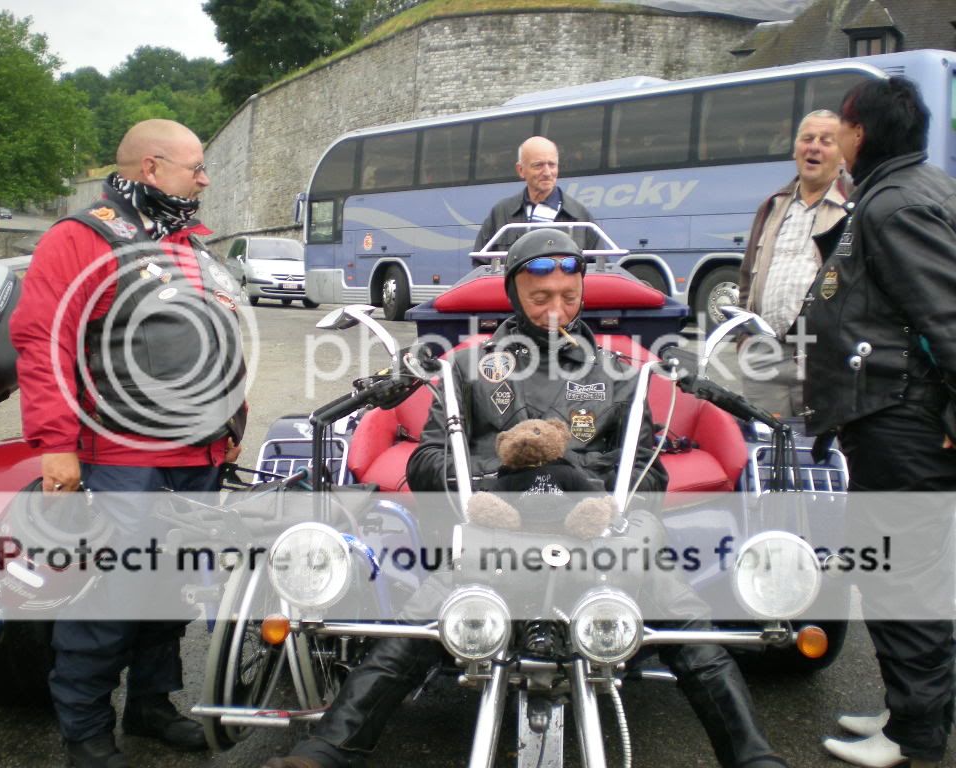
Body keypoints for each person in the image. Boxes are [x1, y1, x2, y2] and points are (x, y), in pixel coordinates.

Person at [267, 229, 787, 768]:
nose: (557, 309)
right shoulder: (467, 369)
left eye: (570, 295)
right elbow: (425, 461)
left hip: (601, 533)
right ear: (514, 295)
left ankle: (752, 756)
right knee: (418, 625)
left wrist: (605, 500)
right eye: (541, 298)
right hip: (494, 530)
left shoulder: (621, 373)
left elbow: (649, 471)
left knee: (691, 628)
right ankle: (328, 750)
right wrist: (490, 485)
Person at [10, 119, 246, 768]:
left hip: (196, 456)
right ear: (151, 168)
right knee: (108, 600)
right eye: (194, 168)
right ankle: (85, 735)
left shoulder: (189, 244)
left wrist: (228, 421)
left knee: (168, 592)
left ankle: (150, 705)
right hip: (122, 458)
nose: (204, 179)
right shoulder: (80, 238)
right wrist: (55, 445)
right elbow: (42, 340)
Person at [803, 78, 956, 768]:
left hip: (903, 421)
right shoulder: (917, 188)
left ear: (860, 134)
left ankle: (915, 735)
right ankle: (909, 710)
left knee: (902, 576)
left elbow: (946, 315)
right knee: (904, 571)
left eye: (841, 128)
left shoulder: (895, 204)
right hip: (895, 415)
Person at [737, 110, 850, 417]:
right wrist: (745, 338)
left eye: (826, 141)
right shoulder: (773, 205)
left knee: (822, 455)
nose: (813, 147)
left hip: (823, 359)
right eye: (807, 138)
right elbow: (747, 275)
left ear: (843, 154)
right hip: (765, 355)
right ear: (795, 148)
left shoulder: (855, 206)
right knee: (765, 450)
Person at [473, 136, 601, 252]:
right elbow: (481, 264)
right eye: (538, 165)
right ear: (521, 170)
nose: (547, 172)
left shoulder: (580, 215)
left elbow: (598, 267)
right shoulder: (501, 213)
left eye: (552, 164)